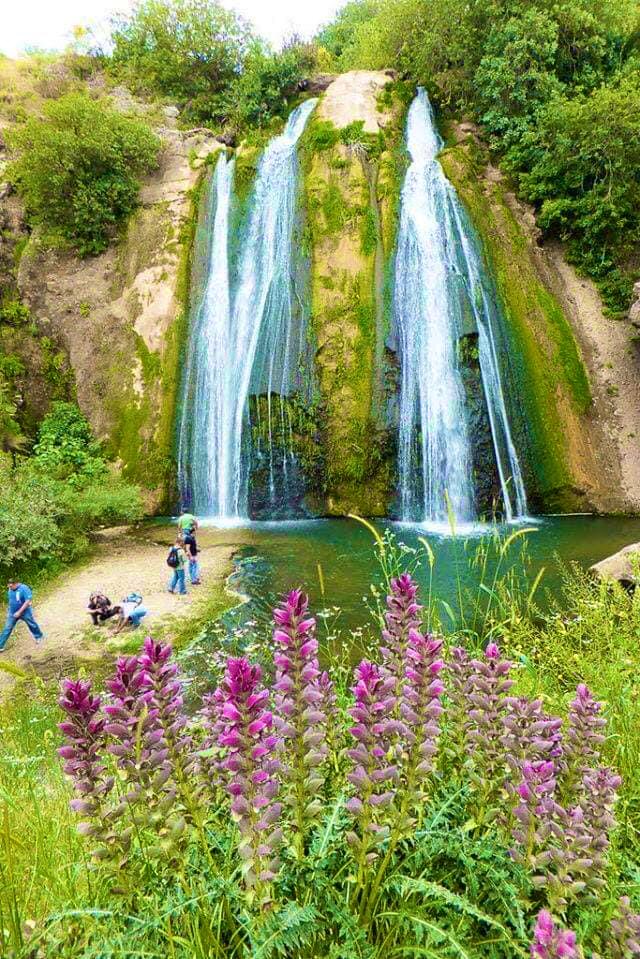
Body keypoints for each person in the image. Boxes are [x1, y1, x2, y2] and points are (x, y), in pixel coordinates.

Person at [0, 580, 44, 652]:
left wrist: (19, 612)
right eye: (8, 585)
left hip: (25, 612)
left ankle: (39, 637)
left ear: (16, 583)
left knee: (31, 624)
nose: (9, 587)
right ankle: (0, 645)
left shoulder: (24, 588)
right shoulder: (10, 589)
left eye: (11, 586)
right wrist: (9, 610)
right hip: (12, 613)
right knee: (7, 628)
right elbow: (11, 600)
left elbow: (27, 601)